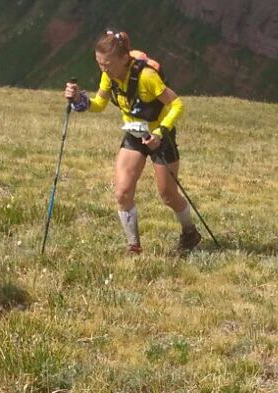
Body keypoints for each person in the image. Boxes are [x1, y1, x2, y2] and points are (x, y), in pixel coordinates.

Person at [64, 30, 202, 256]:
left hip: (159, 136)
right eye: (99, 63)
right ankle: (134, 246)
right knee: (122, 193)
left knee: (167, 195)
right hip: (134, 134)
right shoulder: (108, 76)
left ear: (124, 58)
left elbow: (177, 105)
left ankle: (190, 232)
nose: (103, 69)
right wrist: (79, 99)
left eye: (106, 64)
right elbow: (98, 104)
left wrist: (160, 132)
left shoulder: (147, 77)